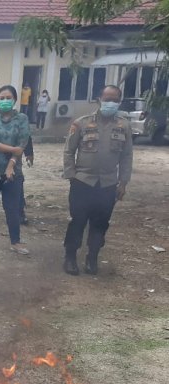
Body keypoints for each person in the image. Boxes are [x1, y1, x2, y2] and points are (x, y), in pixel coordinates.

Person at [62, 85, 132, 276]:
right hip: (83, 181)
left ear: (119, 102)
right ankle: (70, 258)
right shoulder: (81, 123)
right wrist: (71, 176)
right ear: (99, 99)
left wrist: (123, 182)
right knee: (77, 221)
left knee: (101, 223)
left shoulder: (124, 125)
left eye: (115, 100)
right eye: (107, 98)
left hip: (108, 184)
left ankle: (92, 257)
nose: (111, 103)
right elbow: (69, 151)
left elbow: (126, 156)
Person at [0, 85, 31, 255]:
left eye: (8, 97)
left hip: (13, 172)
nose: (4, 101)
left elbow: (22, 143)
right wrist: (12, 150)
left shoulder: (22, 119)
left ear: (14, 99)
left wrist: (11, 162)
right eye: (1, 98)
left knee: (13, 208)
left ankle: (15, 242)